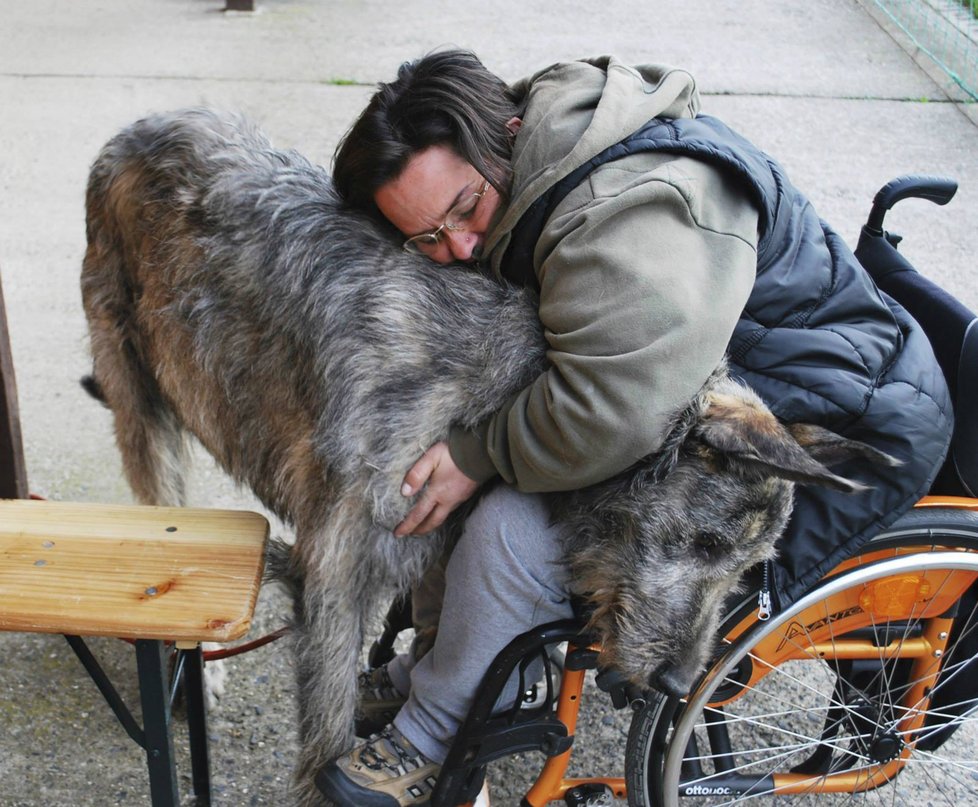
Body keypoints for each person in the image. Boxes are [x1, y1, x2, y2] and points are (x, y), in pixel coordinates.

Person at [317, 50, 952, 806]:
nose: (457, 248)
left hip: (837, 426)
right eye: (424, 239)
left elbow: (613, 409)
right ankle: (444, 668)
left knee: (515, 531)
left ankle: (436, 733)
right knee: (456, 470)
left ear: (504, 135)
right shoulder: (543, 170)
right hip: (721, 393)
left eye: (463, 210)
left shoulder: (629, 210)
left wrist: (478, 453)